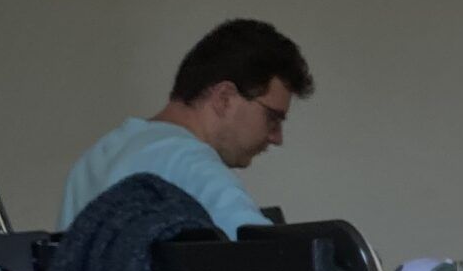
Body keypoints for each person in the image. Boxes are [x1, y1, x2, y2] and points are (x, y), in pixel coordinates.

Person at [59, 19, 314, 238]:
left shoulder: (93, 161)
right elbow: (270, 261)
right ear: (224, 98)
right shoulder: (190, 163)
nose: (277, 137)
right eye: (272, 117)